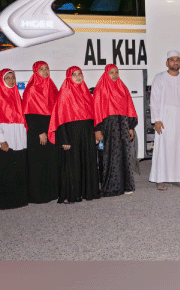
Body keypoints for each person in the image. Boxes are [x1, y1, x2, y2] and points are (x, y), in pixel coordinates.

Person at [49, 66, 99, 203]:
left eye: (80, 74)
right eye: (74, 74)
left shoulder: (86, 93)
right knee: (72, 164)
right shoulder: (64, 93)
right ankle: (70, 195)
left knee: (86, 162)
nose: (78, 77)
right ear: (68, 77)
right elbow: (60, 119)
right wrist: (64, 139)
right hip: (71, 135)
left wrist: (94, 133)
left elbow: (93, 116)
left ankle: (85, 192)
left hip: (87, 133)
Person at [0, 69, 29, 210]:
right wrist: (2, 140)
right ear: (1, 81)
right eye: (7, 78)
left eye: (12, 77)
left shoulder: (16, 95)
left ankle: (17, 201)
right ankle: (1, 203)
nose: (11, 80)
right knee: (4, 172)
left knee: (16, 170)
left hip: (18, 140)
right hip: (4, 140)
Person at [149, 51, 180, 190]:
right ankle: (160, 179)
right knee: (163, 148)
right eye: (172, 60)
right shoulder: (160, 78)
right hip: (164, 119)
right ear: (167, 63)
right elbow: (154, 100)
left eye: (178, 60)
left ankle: (178, 178)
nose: (175, 62)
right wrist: (156, 119)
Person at [94, 64, 138, 196]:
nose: (114, 75)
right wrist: (98, 129)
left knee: (124, 154)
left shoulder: (122, 88)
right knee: (110, 156)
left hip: (123, 126)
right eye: (111, 72)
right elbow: (96, 110)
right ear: (106, 73)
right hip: (108, 127)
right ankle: (111, 187)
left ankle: (126, 185)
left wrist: (130, 127)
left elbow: (129, 107)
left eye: (116, 72)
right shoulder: (100, 89)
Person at [22, 61, 59, 204]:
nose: (45, 71)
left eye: (47, 69)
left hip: (50, 129)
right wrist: (40, 132)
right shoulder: (31, 89)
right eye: (41, 69)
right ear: (36, 72)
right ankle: (38, 195)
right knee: (38, 163)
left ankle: (51, 192)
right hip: (38, 131)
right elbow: (28, 114)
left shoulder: (52, 87)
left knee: (51, 162)